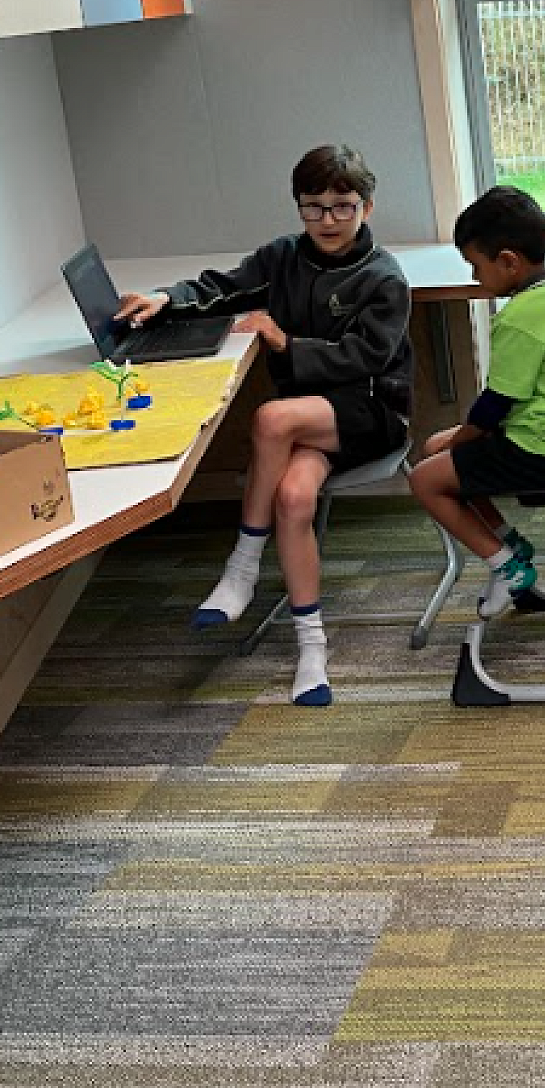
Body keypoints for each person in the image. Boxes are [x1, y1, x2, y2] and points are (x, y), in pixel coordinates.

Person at [114, 143, 412, 708]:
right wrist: (163, 298)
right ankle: (312, 651)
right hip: (309, 420)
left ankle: (243, 566)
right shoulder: (283, 257)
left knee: (272, 417)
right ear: (298, 207)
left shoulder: (383, 277)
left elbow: (367, 358)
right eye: (313, 207)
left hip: (372, 413)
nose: (327, 220)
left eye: (342, 207)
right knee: (294, 498)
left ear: (367, 208)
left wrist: (284, 341)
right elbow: (221, 287)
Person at [408, 185, 545, 620]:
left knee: (424, 480)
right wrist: (455, 441)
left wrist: (461, 438)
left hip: (539, 450)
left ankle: (506, 566)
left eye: (476, 266)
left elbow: (496, 404)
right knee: (437, 449)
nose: (475, 277)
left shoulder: (518, 319)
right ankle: (508, 542)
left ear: (509, 261)